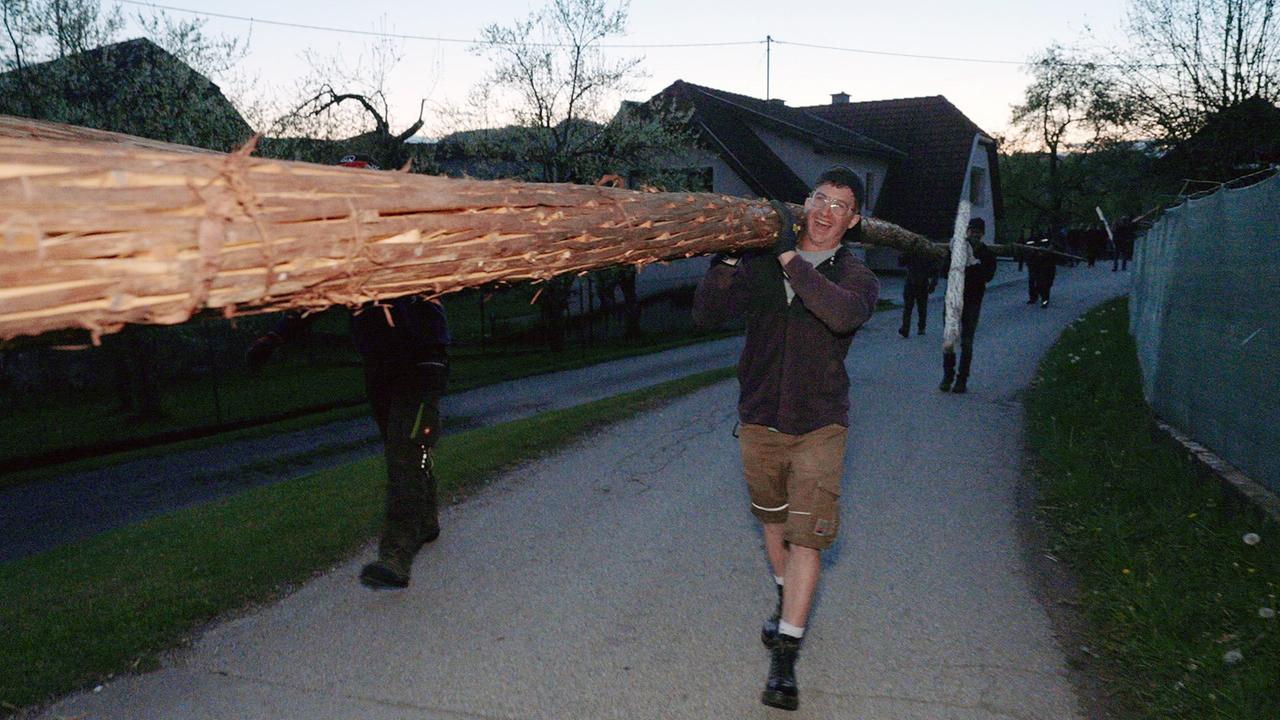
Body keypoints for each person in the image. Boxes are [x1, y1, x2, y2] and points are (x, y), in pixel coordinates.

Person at [692, 166, 880, 711]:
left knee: (807, 539)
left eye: (839, 205)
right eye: (819, 198)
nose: (825, 211)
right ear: (806, 202)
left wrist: (788, 260)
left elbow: (841, 316)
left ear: (853, 220)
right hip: (758, 419)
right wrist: (726, 258)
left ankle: (785, 659)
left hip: (820, 424)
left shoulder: (856, 277)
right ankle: (786, 596)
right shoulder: (761, 260)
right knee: (772, 524)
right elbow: (707, 313)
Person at [246, 156, 452, 591]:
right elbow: (317, 298)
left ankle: (395, 556)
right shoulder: (344, 251)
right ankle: (427, 518)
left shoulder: (405, 236)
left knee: (404, 452)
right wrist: (275, 337)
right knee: (407, 451)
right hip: (380, 368)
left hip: (421, 365)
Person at [939, 217, 997, 394]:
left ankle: (962, 379)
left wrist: (972, 267)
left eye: (978, 231)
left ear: (982, 234)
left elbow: (988, 276)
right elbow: (943, 272)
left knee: (966, 342)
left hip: (972, 302)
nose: (974, 234)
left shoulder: (987, 255)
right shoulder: (956, 249)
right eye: (972, 230)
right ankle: (947, 376)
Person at [897, 249, 938, 337]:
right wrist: (933, 284)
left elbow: (901, 263)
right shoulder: (928, 254)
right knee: (922, 307)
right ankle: (921, 327)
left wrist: (902, 255)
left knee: (908, 307)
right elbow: (935, 270)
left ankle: (905, 328)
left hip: (911, 282)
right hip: (923, 283)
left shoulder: (910, 252)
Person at [1026, 236, 1057, 308]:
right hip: (1035, 266)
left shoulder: (1047, 238)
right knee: (1032, 283)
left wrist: (1050, 249)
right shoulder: (1032, 239)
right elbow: (1027, 250)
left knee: (1045, 286)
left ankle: (1044, 301)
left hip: (1047, 268)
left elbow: (1055, 253)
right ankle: (1033, 298)